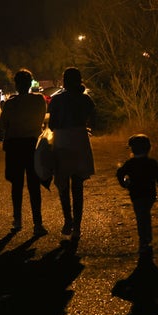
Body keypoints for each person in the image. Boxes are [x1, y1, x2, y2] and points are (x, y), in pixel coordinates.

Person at [0, 68, 48, 237]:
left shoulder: (11, 103)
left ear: (16, 84)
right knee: (34, 185)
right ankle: (37, 223)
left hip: (15, 146)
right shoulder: (39, 100)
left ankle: (17, 220)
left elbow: (2, 125)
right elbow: (41, 120)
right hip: (33, 145)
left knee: (16, 185)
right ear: (30, 82)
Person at [47, 67, 96, 240]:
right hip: (80, 140)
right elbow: (91, 118)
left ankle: (68, 220)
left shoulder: (57, 101)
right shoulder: (86, 100)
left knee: (63, 185)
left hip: (62, 141)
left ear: (64, 81)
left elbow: (51, 125)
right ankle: (77, 227)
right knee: (78, 186)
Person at [116, 134, 158, 257]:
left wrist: (124, 184)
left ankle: (144, 240)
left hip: (136, 195)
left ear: (132, 149)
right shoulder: (151, 162)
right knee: (145, 214)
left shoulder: (130, 163)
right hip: (149, 195)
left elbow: (119, 173)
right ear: (148, 148)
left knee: (141, 216)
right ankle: (147, 238)